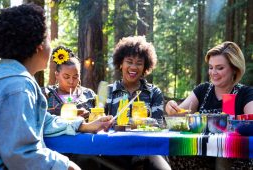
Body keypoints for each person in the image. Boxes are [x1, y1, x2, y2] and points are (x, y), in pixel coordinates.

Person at [0, 4, 112, 170]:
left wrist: (82, 125)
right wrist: (67, 166)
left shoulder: (8, 78)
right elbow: (20, 154)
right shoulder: (19, 87)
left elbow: (42, 121)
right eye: (48, 39)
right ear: (39, 46)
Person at [165, 41, 253, 169]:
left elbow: (251, 121)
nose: (213, 73)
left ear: (234, 69)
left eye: (220, 68)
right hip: (200, 154)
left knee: (223, 156)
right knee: (177, 150)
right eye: (211, 67)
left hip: (233, 157)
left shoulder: (245, 93)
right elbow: (177, 115)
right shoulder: (203, 90)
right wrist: (171, 107)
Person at [104, 36, 171, 170]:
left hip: (147, 149)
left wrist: (139, 123)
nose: (133, 67)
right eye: (129, 61)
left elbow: (158, 125)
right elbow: (99, 123)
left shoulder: (154, 92)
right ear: (120, 64)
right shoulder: (108, 91)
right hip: (115, 150)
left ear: (145, 66)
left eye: (139, 63)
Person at [42, 46, 96, 119]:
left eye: (75, 77)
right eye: (66, 77)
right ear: (57, 75)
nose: (71, 81)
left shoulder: (89, 94)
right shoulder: (46, 94)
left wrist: (90, 116)